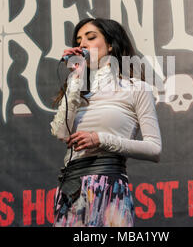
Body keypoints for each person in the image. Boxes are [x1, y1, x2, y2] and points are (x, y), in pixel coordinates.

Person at [50, 18, 162, 227]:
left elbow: (154, 149)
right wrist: (76, 77)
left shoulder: (136, 88)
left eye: (91, 38)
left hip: (108, 185)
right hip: (71, 188)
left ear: (110, 44)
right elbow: (61, 132)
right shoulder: (77, 89)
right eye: (79, 40)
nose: (82, 44)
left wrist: (101, 139)